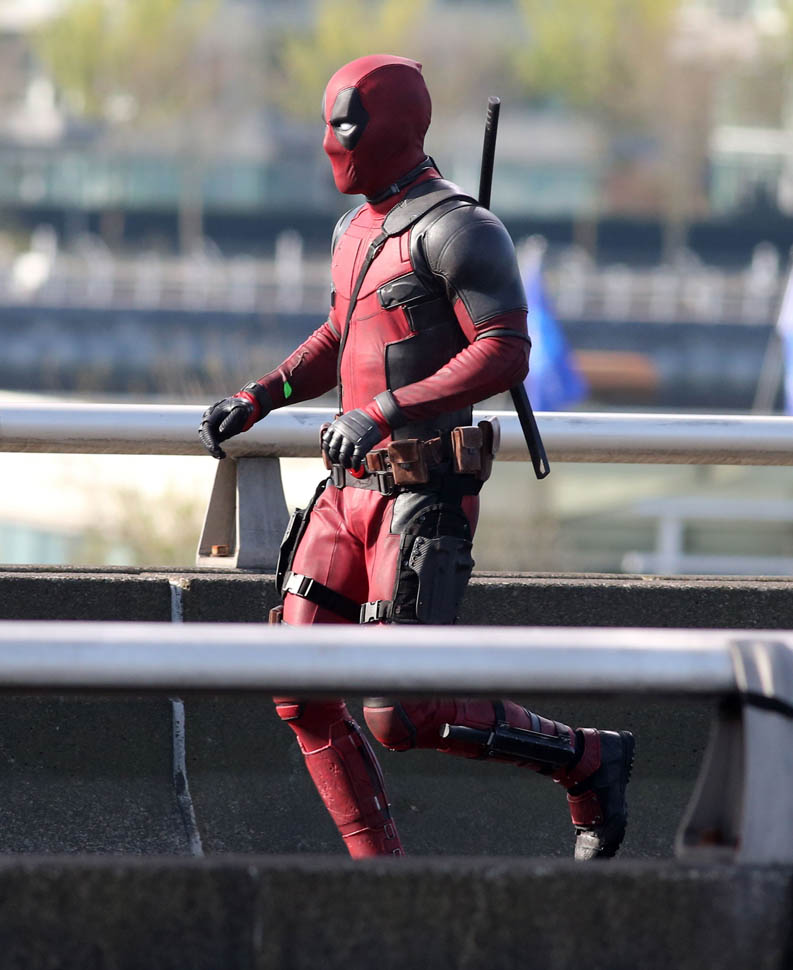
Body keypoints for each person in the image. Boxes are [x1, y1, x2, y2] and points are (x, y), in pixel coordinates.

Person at [199, 54, 634, 861]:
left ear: (393, 128)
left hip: (420, 493)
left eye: (345, 124)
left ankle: (587, 760)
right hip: (343, 492)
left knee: (402, 713)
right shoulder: (354, 230)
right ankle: (383, 884)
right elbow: (345, 334)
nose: (331, 142)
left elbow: (503, 349)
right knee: (298, 691)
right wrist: (260, 396)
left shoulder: (460, 229)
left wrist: (383, 412)